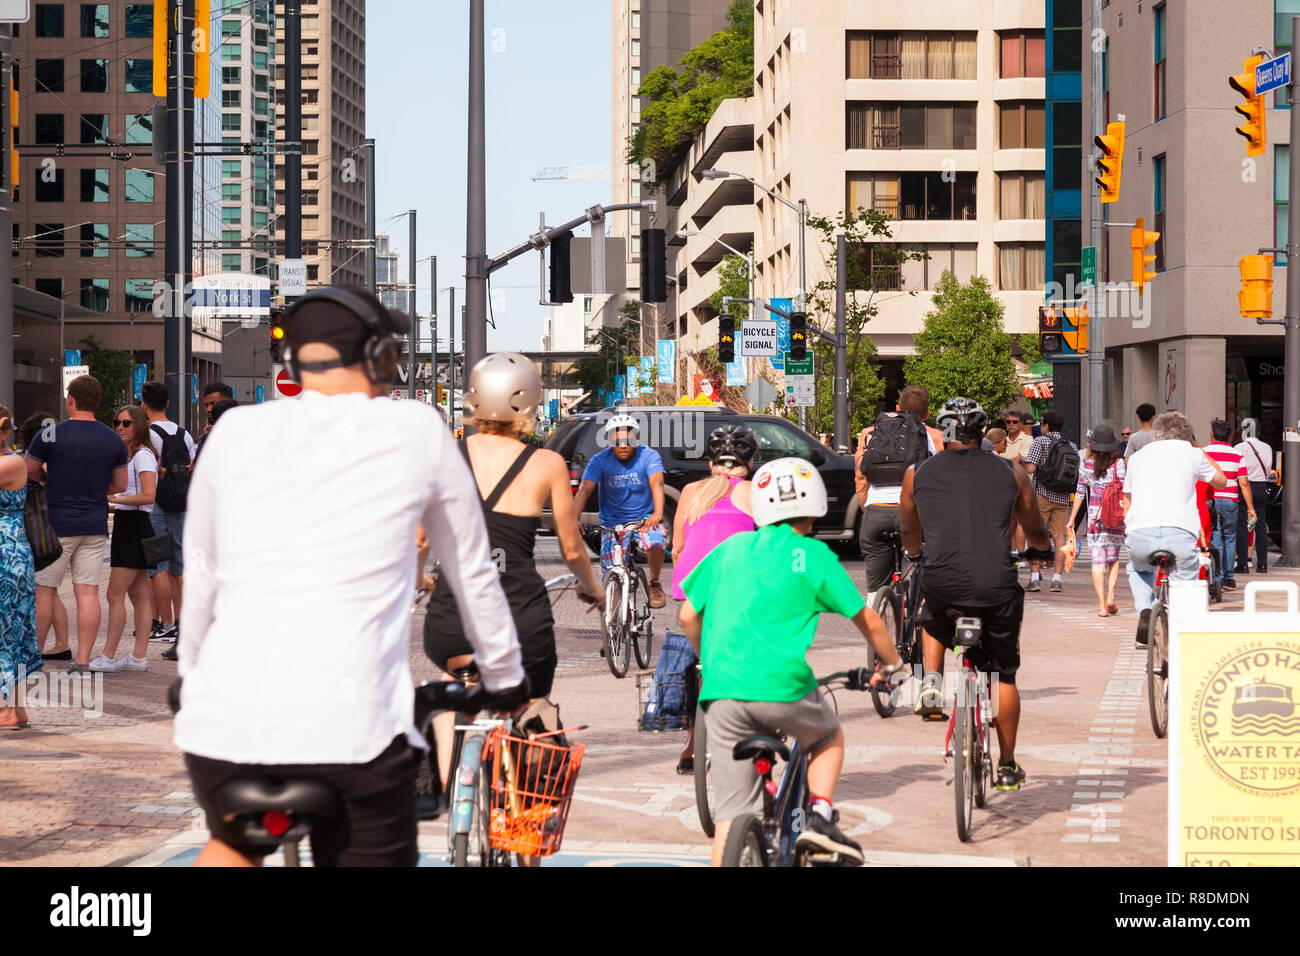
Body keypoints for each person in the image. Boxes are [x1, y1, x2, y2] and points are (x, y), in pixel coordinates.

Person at [174, 285, 526, 867]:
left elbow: (204, 570)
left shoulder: (233, 432)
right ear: (378, 356)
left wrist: (190, 675)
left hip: (225, 723)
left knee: (235, 844)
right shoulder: (417, 429)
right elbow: (470, 571)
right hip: (353, 727)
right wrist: (507, 677)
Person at [678, 457, 904, 866]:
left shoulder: (730, 549)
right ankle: (819, 817)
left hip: (722, 692)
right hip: (783, 686)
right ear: (815, 505)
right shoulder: (812, 555)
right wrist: (892, 666)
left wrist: (710, 662)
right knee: (827, 735)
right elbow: (867, 618)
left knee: (731, 813)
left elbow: (688, 615)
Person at [422, 352, 604, 826]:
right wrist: (591, 588)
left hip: (451, 618)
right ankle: (525, 815)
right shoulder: (545, 462)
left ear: (473, 400)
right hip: (519, 619)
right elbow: (570, 545)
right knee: (529, 704)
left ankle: (448, 783)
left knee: (448, 686)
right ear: (530, 403)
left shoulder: (444, 456)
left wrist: (420, 576)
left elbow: (420, 537)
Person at [899, 398, 1053, 789]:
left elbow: (910, 530)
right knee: (1003, 673)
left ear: (944, 431)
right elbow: (1034, 524)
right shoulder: (1012, 472)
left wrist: (916, 553)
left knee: (932, 616)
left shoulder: (917, 474)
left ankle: (931, 682)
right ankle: (1006, 765)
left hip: (942, 579)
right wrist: (1040, 549)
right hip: (995, 583)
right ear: (982, 432)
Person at [24, 376, 128, 672]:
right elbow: (119, 483)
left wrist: (50, 481)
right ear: (97, 401)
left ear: (70, 399)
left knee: (44, 589)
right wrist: (94, 490)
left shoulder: (50, 434)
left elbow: (29, 472)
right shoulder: (112, 438)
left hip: (56, 524)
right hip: (94, 523)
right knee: (87, 592)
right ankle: (83, 659)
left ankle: (35, 658)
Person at [670, 423, 757, 774]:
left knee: (697, 664)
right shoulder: (756, 491)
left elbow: (677, 548)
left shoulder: (691, 491)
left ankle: (692, 744)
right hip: (737, 586)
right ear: (750, 462)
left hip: (694, 588)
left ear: (710, 462)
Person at [1123, 411, 1227, 645]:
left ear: (1156, 434)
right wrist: (1198, 449)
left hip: (1140, 532)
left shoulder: (1137, 457)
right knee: (1184, 583)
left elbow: (1127, 497)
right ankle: (1181, 632)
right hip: (1180, 532)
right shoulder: (1192, 454)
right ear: (1187, 435)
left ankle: (1145, 610)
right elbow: (1221, 480)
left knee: (1138, 569)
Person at [854, 385, 943, 605]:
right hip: (914, 513)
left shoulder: (869, 433)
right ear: (927, 414)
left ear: (897, 408)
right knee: (926, 570)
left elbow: (860, 477)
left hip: (877, 512)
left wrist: (869, 508)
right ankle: (919, 615)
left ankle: (877, 612)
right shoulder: (935, 437)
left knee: (875, 587)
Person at [573, 413, 669, 608]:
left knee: (655, 542)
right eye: (617, 442)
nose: (623, 445)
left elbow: (657, 483)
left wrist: (657, 514)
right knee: (611, 578)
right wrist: (573, 519)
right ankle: (614, 624)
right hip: (612, 524)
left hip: (643, 520)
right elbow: (584, 489)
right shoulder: (599, 460)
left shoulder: (649, 456)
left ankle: (654, 582)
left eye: (628, 440)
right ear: (609, 441)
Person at [89, 406, 157, 672]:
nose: (120, 427)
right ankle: (139, 656)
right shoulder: (129, 455)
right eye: (117, 422)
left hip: (135, 524)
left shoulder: (143, 456)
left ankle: (108, 655)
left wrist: (118, 500)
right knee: (138, 595)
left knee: (114, 594)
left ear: (138, 426)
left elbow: (150, 495)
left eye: (126, 423)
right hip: (129, 523)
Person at [141, 381, 197, 654]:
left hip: (156, 504)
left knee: (158, 564)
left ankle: (164, 624)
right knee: (180, 564)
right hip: (181, 502)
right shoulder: (184, 434)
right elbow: (191, 467)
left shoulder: (147, 435)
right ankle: (182, 622)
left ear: (143, 404)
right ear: (167, 404)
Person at [0, 406, 42, 729]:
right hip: (10, 553)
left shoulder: (11, 462)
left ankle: (10, 709)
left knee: (9, 629)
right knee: (9, 629)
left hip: (8, 554)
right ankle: (15, 708)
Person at [17, 412, 70, 660]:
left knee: (43, 591)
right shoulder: (58, 463)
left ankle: (33, 651)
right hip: (51, 534)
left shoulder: (24, 466)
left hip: (32, 536)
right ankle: (61, 643)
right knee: (51, 590)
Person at [1066, 424, 1126, 617]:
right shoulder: (1118, 464)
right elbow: (1125, 492)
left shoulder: (1086, 463)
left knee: (1097, 561)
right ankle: (1111, 596)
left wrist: (1072, 519)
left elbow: (1080, 493)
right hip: (1115, 516)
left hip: (1094, 517)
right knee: (1113, 558)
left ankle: (1101, 606)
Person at [1022, 410, 1079, 593]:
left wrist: (1021, 463)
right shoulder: (1071, 444)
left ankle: (1034, 578)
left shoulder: (1040, 441)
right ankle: (1057, 578)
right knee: (1059, 537)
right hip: (1062, 497)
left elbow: (1030, 469)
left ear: (1045, 426)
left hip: (1042, 495)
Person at [1203, 420, 1254, 592]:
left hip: (1210, 500)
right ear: (1229, 436)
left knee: (1214, 538)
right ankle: (1228, 578)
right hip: (1230, 500)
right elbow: (1244, 483)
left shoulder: (1204, 453)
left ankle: (1215, 578)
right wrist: (1250, 508)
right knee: (1229, 538)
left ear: (1212, 434)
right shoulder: (1237, 455)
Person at [1235, 428, 1275, 573]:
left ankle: (1243, 563)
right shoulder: (1267, 447)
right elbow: (1268, 468)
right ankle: (1262, 564)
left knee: (1242, 525)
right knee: (1261, 525)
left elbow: (1236, 469)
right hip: (1260, 486)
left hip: (1244, 485)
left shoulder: (1239, 447)